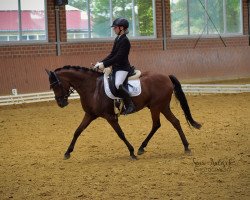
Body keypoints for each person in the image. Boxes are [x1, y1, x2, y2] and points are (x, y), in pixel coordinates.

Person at [94, 18, 135, 115]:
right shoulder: (117, 39)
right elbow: (112, 54)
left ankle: (130, 105)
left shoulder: (125, 41)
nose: (114, 29)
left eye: (115, 27)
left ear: (121, 28)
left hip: (123, 68)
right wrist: (100, 63)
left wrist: (104, 64)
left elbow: (118, 58)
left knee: (117, 84)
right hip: (116, 68)